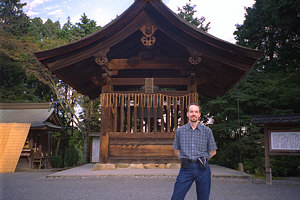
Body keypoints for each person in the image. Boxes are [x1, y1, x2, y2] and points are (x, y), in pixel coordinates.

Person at [171, 103, 217, 200]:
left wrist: (204, 159)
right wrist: (182, 158)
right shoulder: (180, 131)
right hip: (186, 168)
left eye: (196, 112)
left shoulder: (207, 131)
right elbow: (176, 149)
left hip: (203, 168)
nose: (193, 114)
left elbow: (213, 151)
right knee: (176, 197)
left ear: (199, 114)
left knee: (203, 197)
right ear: (187, 114)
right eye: (191, 111)